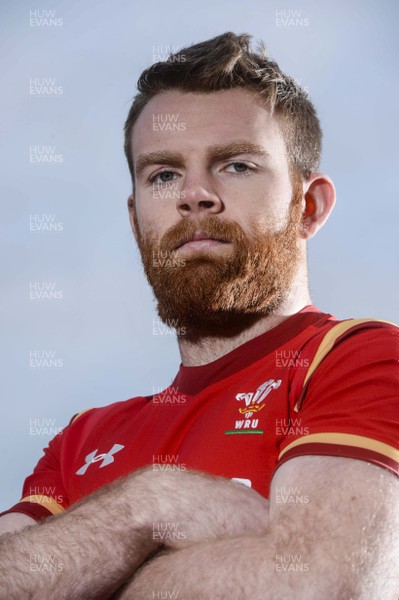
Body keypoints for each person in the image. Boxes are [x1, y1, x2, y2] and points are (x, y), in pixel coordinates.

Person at [0, 32, 398, 600]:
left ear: (307, 207)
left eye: (235, 165)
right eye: (163, 174)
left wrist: (89, 570)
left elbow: (323, 583)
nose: (194, 195)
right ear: (137, 220)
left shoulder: (361, 359)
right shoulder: (81, 441)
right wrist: (148, 504)